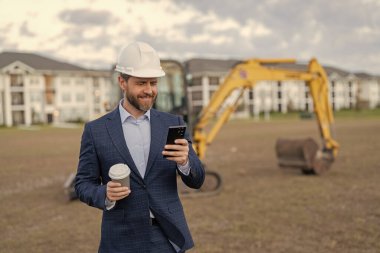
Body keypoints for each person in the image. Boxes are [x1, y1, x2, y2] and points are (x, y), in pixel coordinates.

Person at [75, 41, 205, 253]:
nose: (149, 90)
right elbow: (83, 184)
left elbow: (198, 179)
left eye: (153, 83)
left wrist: (185, 162)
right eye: (141, 83)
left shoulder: (173, 124)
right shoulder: (95, 131)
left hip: (167, 238)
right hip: (121, 240)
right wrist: (105, 194)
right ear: (122, 82)